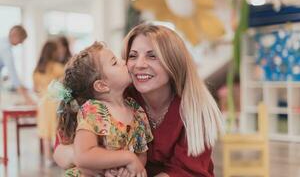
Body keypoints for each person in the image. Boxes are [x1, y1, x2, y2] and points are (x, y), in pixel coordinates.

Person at [54, 24, 223, 177]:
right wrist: (105, 166)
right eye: (133, 56)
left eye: (152, 56)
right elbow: (61, 152)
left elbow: (186, 171)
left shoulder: (194, 108)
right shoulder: (115, 96)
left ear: (173, 62)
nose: (139, 64)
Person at [54, 42, 152, 176]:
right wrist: (128, 158)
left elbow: (141, 152)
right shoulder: (93, 111)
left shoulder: (137, 110)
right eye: (115, 62)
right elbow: (83, 156)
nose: (124, 62)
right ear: (102, 86)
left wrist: (131, 168)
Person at [33, 40, 65, 166]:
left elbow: (35, 88)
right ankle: (58, 156)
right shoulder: (56, 67)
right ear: (53, 52)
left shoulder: (37, 69)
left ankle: (48, 158)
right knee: (56, 129)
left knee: (46, 131)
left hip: (42, 103)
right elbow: (65, 80)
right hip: (54, 101)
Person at [0, 25, 35, 104]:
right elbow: (13, 75)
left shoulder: (2, 42)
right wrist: (28, 99)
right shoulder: (5, 48)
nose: (21, 43)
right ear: (15, 35)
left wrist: (22, 87)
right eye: (21, 40)